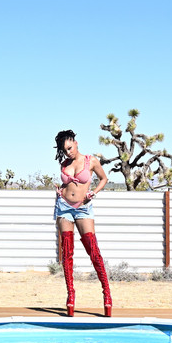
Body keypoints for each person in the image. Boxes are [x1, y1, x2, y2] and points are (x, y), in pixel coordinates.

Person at [53, 129, 112, 317]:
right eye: (65, 150)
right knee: (67, 252)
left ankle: (107, 294)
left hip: (83, 208)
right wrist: (60, 190)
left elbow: (104, 179)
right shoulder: (64, 164)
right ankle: (70, 295)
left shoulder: (90, 161)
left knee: (93, 250)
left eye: (70, 148)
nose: (68, 152)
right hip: (64, 207)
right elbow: (67, 185)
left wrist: (93, 192)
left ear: (76, 143)